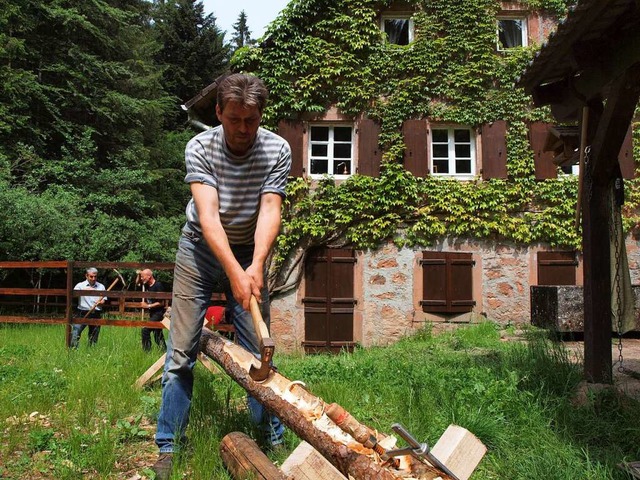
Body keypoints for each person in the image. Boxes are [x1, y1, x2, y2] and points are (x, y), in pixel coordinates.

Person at [152, 73, 292, 479]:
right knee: (182, 350)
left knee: (258, 352)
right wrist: (233, 269)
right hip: (199, 246)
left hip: (250, 249)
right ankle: (168, 445)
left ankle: (274, 437)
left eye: (251, 120)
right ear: (218, 113)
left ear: (260, 115)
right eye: (234, 119)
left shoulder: (276, 149)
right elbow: (209, 215)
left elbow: (270, 209)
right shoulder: (200, 146)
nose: (243, 130)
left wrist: (255, 265)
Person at [71, 267, 106, 348]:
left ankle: (91, 353)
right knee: (75, 332)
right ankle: (73, 351)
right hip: (82, 313)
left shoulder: (101, 286)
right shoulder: (80, 285)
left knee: (93, 336)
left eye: (95, 277)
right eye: (91, 276)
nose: (93, 279)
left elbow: (103, 301)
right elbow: (73, 295)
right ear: (86, 276)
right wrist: (84, 291)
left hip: (96, 314)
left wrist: (100, 302)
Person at [139, 269, 167, 351]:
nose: (141, 278)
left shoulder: (158, 285)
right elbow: (137, 282)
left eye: (143, 277)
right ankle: (164, 351)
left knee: (145, 330)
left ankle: (147, 351)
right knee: (157, 334)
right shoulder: (147, 285)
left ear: (149, 276)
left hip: (159, 313)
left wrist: (147, 306)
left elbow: (161, 303)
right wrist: (139, 274)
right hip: (153, 313)